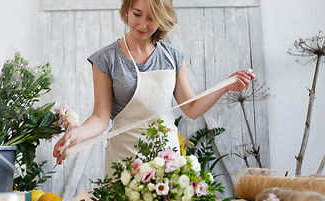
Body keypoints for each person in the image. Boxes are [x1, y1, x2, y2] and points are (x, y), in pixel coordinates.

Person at [53, 0, 256, 176]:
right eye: (137, 14)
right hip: (123, 161)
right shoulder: (107, 59)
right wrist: (75, 135)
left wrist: (226, 86)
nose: (142, 24)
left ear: (162, 18)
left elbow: (191, 108)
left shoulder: (173, 57)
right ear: (127, 10)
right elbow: (99, 118)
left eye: (151, 18)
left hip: (165, 159)